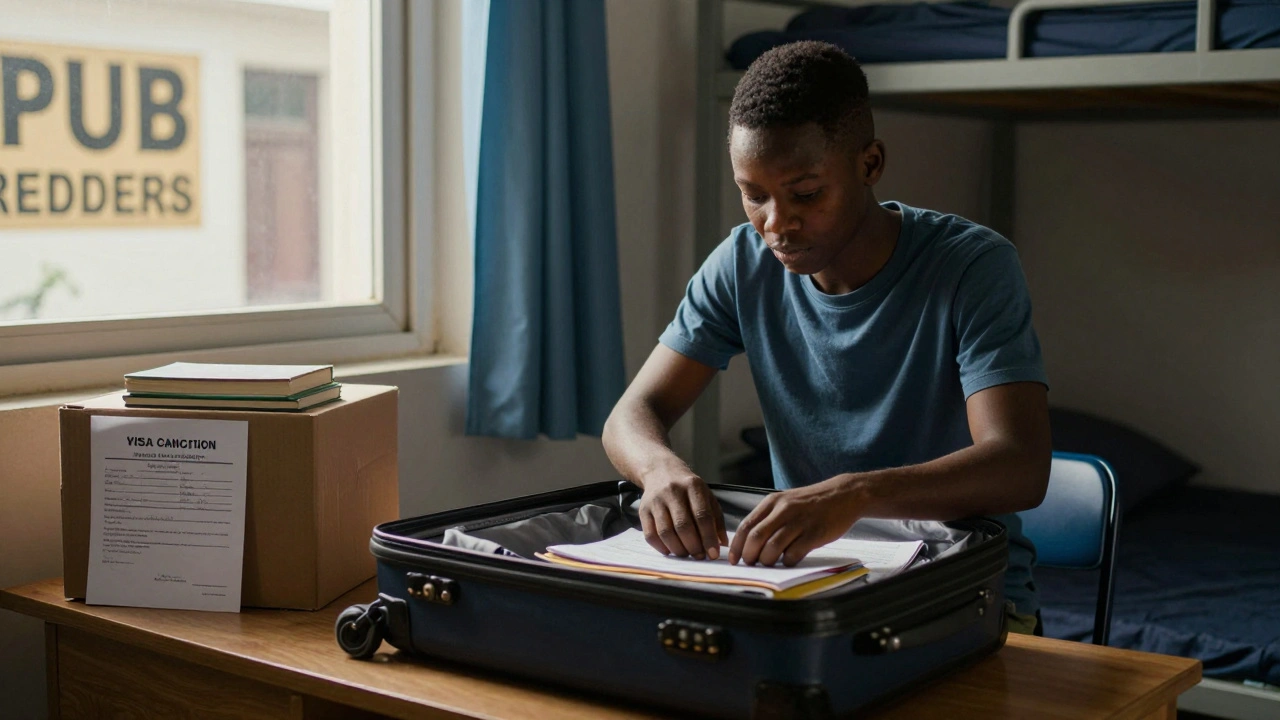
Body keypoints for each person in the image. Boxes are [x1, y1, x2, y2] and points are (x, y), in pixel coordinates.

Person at [601, 41, 1051, 633]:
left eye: (806, 194)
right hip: (813, 590)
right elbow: (631, 414)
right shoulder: (741, 264)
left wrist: (853, 495)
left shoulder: (971, 266)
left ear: (869, 164)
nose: (775, 223)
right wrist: (660, 470)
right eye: (752, 195)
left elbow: (1020, 465)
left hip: (964, 591)